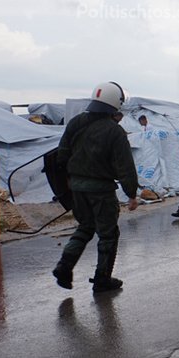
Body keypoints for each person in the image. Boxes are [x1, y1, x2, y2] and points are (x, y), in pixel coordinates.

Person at [52, 81, 139, 293]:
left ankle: (64, 266)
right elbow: (125, 167)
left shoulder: (75, 123)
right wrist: (132, 194)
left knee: (85, 227)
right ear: (115, 104)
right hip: (101, 191)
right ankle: (102, 279)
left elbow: (61, 155)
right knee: (108, 235)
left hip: (77, 189)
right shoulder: (115, 132)